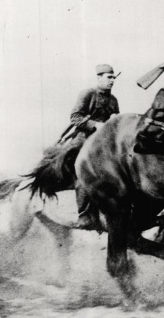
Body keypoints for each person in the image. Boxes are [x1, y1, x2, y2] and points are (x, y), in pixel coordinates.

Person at [70, 64, 120, 230]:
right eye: (109, 77)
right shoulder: (88, 94)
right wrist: (96, 125)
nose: (112, 81)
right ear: (99, 78)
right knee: (83, 174)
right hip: (83, 140)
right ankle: (84, 216)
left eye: (113, 77)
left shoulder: (113, 101)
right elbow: (75, 117)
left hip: (102, 144)